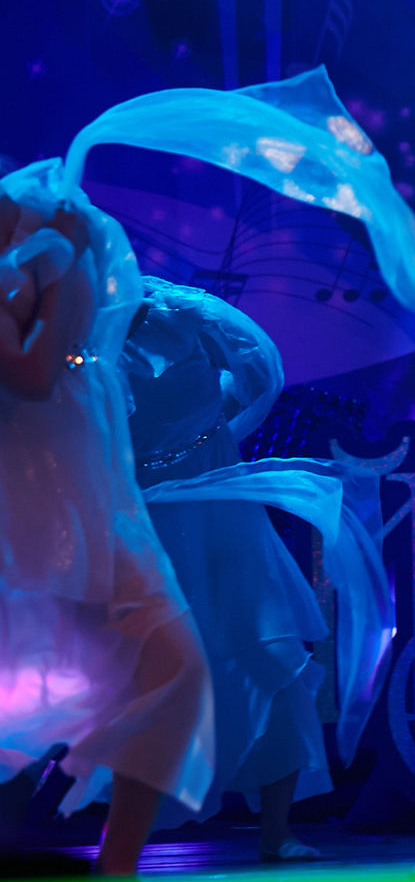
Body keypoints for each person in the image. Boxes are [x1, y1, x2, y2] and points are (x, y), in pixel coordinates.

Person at [122, 278, 389, 861]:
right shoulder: (77, 337)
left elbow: (258, 380)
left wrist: (213, 426)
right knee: (138, 673)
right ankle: (117, 837)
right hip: (141, 522)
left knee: (270, 655)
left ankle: (277, 832)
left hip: (221, 513)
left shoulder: (182, 314)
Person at [0, 176, 214, 876]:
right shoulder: (48, 239)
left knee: (173, 665)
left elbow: (69, 357)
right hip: (23, 505)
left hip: (83, 496)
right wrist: (62, 258)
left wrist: (63, 250)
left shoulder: (40, 214)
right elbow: (33, 372)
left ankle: (117, 865)